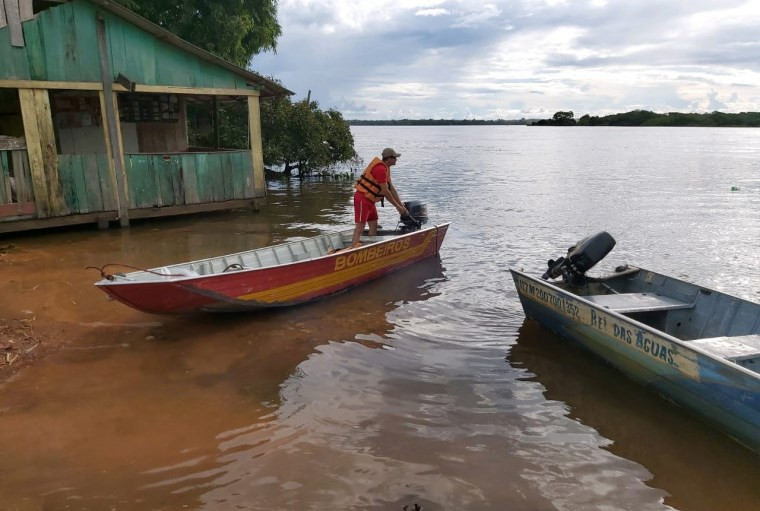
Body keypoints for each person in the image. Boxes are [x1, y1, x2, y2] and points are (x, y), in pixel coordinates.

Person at [351, 147, 409, 247]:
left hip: (370, 201)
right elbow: (386, 192)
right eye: (395, 158)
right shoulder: (380, 169)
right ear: (389, 158)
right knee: (360, 228)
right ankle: (353, 249)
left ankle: (370, 249)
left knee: (373, 225)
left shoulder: (386, 169)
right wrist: (398, 207)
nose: (396, 160)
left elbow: (392, 190)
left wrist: (402, 207)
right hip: (362, 199)